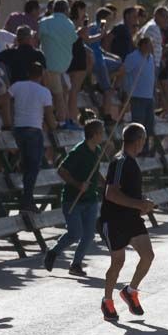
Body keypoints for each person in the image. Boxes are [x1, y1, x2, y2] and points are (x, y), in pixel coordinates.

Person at [99, 123, 156, 322]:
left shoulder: (131, 161)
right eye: (144, 140)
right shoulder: (120, 161)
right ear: (139, 140)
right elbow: (111, 193)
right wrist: (140, 203)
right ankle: (107, 300)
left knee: (148, 255)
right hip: (113, 220)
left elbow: (127, 192)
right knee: (118, 262)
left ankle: (130, 291)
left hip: (131, 218)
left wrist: (141, 205)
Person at [46, 118, 105, 276]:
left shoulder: (98, 150)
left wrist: (104, 183)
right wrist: (78, 184)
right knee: (75, 233)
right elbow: (61, 170)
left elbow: (95, 170)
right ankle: (53, 252)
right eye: (101, 132)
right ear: (94, 134)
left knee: (89, 235)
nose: (104, 135)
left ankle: (76, 264)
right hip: (74, 199)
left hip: (91, 199)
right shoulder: (78, 151)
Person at [9, 60, 56, 214]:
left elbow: (5, 98)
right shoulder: (44, 92)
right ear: (41, 75)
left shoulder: (17, 86)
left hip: (18, 129)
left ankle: (20, 200)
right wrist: (55, 126)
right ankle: (27, 201)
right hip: (34, 130)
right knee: (33, 168)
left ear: (28, 73)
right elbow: (49, 115)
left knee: (21, 164)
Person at [39, 0, 77, 128]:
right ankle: (62, 122)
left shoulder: (44, 22)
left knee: (60, 94)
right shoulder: (70, 24)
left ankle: (62, 121)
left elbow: (37, 38)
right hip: (61, 67)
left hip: (48, 65)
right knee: (59, 95)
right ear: (67, 10)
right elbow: (74, 39)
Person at [122, 36, 157, 152]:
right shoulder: (133, 57)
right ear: (141, 45)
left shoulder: (151, 57)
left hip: (148, 97)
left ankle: (145, 149)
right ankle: (134, 150)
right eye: (147, 45)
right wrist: (126, 92)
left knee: (148, 126)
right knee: (138, 125)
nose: (150, 47)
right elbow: (123, 72)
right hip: (137, 96)